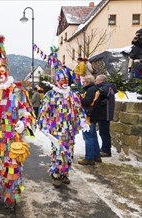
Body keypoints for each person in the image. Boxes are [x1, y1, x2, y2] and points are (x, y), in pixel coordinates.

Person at [0, 35, 36, 211]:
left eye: (2, 71)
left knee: (11, 168)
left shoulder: (17, 92)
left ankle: (10, 197)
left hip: (11, 138)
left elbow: (27, 112)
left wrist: (23, 123)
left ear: (7, 72)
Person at [38, 53, 89, 187]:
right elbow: (43, 112)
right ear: (56, 81)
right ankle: (56, 174)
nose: (64, 82)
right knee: (58, 152)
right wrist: (43, 126)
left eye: (66, 80)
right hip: (56, 130)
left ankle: (65, 173)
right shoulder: (50, 95)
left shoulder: (73, 95)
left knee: (69, 152)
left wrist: (83, 121)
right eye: (61, 80)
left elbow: (79, 109)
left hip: (70, 130)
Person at [78, 75, 102, 166]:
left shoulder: (90, 90)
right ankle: (96, 156)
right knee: (93, 136)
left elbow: (87, 102)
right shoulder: (95, 89)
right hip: (93, 115)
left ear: (87, 82)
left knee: (88, 137)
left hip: (88, 116)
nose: (83, 83)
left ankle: (89, 158)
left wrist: (80, 97)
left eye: (84, 82)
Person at [95, 74, 117, 157]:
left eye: (96, 80)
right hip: (104, 112)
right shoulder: (106, 86)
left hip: (105, 113)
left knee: (104, 132)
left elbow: (104, 98)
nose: (96, 82)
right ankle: (104, 148)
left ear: (101, 81)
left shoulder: (105, 87)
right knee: (103, 132)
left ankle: (106, 150)